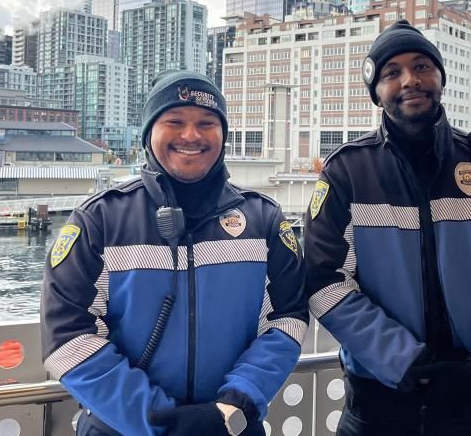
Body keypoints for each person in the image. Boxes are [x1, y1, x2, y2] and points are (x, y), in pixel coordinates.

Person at [304, 20, 471, 435]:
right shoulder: (347, 172)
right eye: (392, 72)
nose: (409, 80)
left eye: (422, 66)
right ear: (376, 91)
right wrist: (405, 362)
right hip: (382, 402)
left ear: (441, 77)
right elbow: (323, 281)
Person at [42, 70, 308, 436]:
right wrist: (159, 421)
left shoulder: (263, 219)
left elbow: (288, 319)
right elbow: (67, 337)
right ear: (149, 132)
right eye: (174, 121)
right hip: (119, 429)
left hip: (230, 427)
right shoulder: (98, 221)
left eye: (206, 123)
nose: (191, 135)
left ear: (223, 135)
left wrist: (236, 404)